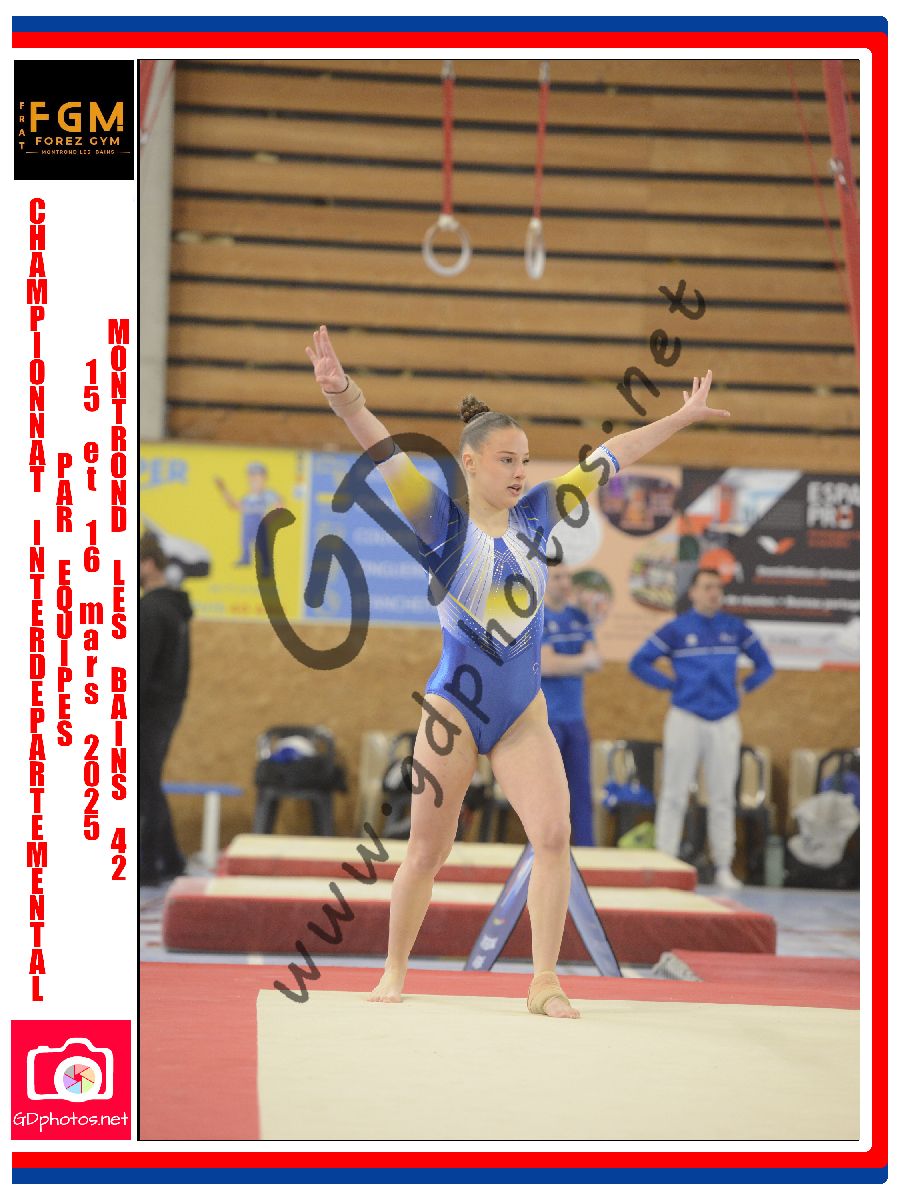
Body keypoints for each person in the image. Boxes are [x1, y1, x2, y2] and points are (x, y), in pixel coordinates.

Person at [307, 325, 727, 1017]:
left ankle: (544, 982)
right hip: (454, 708)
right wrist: (343, 396)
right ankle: (394, 969)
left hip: (522, 710)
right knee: (426, 852)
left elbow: (613, 455)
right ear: (469, 463)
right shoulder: (440, 525)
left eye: (525, 461)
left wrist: (679, 418)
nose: (519, 472)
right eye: (506, 460)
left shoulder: (538, 515)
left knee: (554, 836)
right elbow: (383, 454)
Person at [629, 567, 774, 889]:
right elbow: (638, 662)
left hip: (724, 720)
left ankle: (723, 865)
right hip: (685, 717)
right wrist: (670, 685)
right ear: (693, 592)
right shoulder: (676, 629)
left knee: (723, 796)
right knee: (673, 792)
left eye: (718, 587)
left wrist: (747, 686)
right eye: (707, 587)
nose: (713, 593)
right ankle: (665, 861)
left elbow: (765, 664)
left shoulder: (734, 628)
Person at [139, 531, 193, 886]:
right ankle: (170, 859)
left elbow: (141, 667)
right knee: (148, 781)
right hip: (167, 704)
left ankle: (148, 865)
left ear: (148, 564)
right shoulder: (174, 608)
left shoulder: (151, 610)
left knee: (143, 784)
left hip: (150, 707)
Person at [540, 563, 601, 847]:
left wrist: (570, 662)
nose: (565, 583)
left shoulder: (579, 617)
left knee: (581, 791)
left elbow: (595, 661)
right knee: (547, 793)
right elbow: (547, 666)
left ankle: (587, 851)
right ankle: (542, 851)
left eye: (568, 577)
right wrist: (581, 662)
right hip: (548, 719)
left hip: (575, 719)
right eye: (558, 577)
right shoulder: (537, 617)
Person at [215, 462, 282, 577]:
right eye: (251, 476)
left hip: (259, 520)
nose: (253, 479)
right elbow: (235, 506)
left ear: (264, 478)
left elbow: (279, 505)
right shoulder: (248, 497)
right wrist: (223, 489)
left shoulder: (267, 494)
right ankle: (245, 558)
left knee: (262, 543)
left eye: (257, 476)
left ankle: (266, 566)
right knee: (245, 540)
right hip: (247, 520)